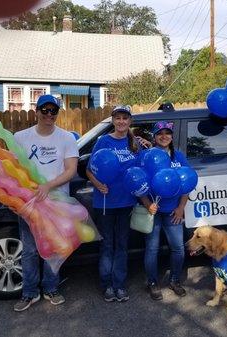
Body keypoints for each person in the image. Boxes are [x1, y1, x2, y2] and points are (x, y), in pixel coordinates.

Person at [12, 94, 79, 312]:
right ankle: (29, 292)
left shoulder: (66, 138)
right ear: (36, 111)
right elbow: (13, 170)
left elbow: (71, 170)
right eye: (45, 110)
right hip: (29, 204)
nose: (49, 115)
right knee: (30, 250)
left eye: (53, 111)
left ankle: (51, 288)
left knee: (55, 248)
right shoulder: (20, 137)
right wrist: (15, 197)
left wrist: (48, 186)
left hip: (58, 203)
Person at [86, 105, 141, 302]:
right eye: (118, 118)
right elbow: (89, 170)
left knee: (122, 245)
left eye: (125, 118)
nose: (121, 122)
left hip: (126, 202)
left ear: (130, 121)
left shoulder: (135, 143)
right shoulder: (103, 141)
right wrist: (98, 184)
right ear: (113, 121)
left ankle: (120, 285)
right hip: (105, 204)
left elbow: (142, 169)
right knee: (107, 245)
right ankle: (107, 285)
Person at [140, 121, 189, 301]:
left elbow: (187, 183)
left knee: (178, 248)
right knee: (151, 249)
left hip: (173, 211)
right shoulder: (145, 156)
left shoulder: (179, 157)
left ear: (171, 136)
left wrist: (180, 208)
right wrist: (147, 204)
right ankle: (152, 283)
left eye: (167, 133)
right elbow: (138, 183)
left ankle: (175, 280)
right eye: (160, 133)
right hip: (152, 211)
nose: (164, 136)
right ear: (154, 136)